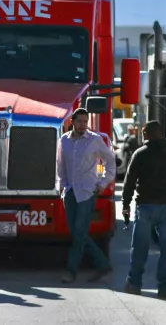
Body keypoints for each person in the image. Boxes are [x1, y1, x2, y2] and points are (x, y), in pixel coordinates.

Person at [122, 120, 166, 298]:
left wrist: (126, 204)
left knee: (139, 248)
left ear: (146, 135)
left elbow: (128, 182)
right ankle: (164, 288)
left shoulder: (140, 154)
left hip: (145, 207)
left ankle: (134, 283)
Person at [56, 108, 117, 284]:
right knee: (76, 232)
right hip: (69, 192)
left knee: (79, 232)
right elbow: (60, 165)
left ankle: (71, 271)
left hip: (87, 192)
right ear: (72, 122)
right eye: (80, 121)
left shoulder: (94, 140)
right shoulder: (64, 141)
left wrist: (102, 183)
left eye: (85, 121)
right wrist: (63, 187)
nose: (83, 125)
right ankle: (102, 263)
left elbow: (110, 162)